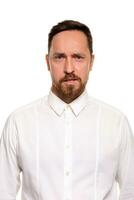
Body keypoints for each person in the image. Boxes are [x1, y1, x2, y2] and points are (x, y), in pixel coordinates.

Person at [0, 20, 134, 200]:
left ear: (91, 61)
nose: (69, 68)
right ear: (47, 62)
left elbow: (130, 191)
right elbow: (4, 192)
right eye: (59, 57)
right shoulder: (19, 122)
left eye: (78, 57)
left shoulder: (116, 123)